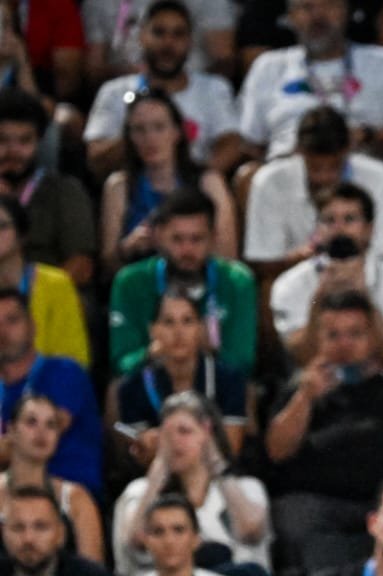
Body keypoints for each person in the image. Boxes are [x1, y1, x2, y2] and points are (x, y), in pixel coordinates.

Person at [264, 290, 383, 576]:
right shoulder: (300, 393)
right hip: (318, 507)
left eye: (355, 334)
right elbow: (276, 451)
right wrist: (305, 397)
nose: (344, 343)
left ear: (372, 338)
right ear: (318, 341)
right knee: (296, 519)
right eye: (333, 335)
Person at [236, 0, 383, 162]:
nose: (318, 16)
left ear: (347, 11)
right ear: (290, 17)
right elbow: (248, 141)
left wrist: (366, 135)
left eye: (329, 5)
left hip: (361, 167)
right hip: (287, 169)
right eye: (307, 7)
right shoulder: (268, 66)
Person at [111, 392, 267, 576]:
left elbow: (250, 532)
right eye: (167, 434)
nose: (175, 441)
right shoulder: (140, 491)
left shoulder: (248, 488)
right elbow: (136, 542)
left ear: (208, 433)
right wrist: (157, 475)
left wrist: (217, 464)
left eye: (184, 431)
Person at [270, 182, 383, 367]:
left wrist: (364, 295)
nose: (339, 228)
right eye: (329, 220)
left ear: (369, 229)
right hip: (320, 375)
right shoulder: (290, 283)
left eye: (350, 219)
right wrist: (319, 297)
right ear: (317, 230)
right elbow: (304, 359)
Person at [108, 189, 258, 378]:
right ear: (158, 236)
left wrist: (209, 349)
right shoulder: (130, 282)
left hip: (218, 383)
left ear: (214, 238)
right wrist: (156, 351)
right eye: (177, 239)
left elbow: (244, 361)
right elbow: (121, 361)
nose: (187, 250)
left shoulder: (237, 281)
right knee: (116, 390)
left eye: (197, 239)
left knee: (248, 390)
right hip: (153, 379)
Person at [83, 0, 243, 175]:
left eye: (178, 34)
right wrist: (138, 133)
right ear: (142, 37)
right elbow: (96, 160)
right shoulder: (114, 92)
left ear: (190, 41)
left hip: (194, 192)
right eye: (159, 33)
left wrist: (197, 181)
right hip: (133, 191)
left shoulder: (214, 88)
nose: (168, 43)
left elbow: (231, 143)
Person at [243, 106, 383, 278]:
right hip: (296, 279)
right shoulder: (269, 181)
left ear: (347, 150)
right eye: (315, 167)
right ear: (299, 151)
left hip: (365, 279)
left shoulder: (380, 177)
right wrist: (300, 258)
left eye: (334, 167)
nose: (324, 177)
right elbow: (263, 262)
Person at [98, 88, 236, 275]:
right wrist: (127, 248)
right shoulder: (119, 185)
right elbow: (108, 264)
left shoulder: (208, 182)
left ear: (177, 132)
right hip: (142, 286)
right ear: (129, 137)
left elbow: (227, 256)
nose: (150, 138)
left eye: (159, 127)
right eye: (139, 129)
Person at [109, 293, 251, 465]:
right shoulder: (133, 387)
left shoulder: (229, 380)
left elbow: (231, 449)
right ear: (153, 330)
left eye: (187, 321)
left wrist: (166, 442)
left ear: (200, 328)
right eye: (168, 322)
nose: (179, 332)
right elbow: (143, 456)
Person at [0, 287, 100, 496]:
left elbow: (39, 437)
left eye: (12, 320)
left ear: (32, 326)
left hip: (70, 498)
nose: (3, 331)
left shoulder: (63, 371)